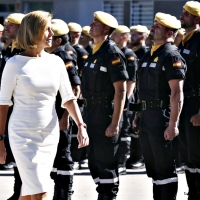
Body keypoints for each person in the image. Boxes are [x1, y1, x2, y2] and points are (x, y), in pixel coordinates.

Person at [0, 10, 89, 200]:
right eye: (47, 29)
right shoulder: (14, 63)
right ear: (34, 31)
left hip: (49, 135)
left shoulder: (57, 61)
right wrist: (0, 140)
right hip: (22, 136)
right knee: (40, 189)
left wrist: (81, 125)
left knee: (29, 191)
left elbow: (68, 98)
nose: (52, 34)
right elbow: (3, 104)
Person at [133, 12, 186, 199]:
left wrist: (173, 124)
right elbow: (142, 90)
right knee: (154, 169)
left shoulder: (171, 55)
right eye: (154, 24)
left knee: (165, 168)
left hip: (162, 118)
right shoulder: (149, 55)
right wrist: (138, 115)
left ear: (170, 33)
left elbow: (177, 93)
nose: (153, 27)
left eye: (158, 26)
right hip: (147, 118)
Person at [81, 11, 128, 200]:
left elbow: (121, 91)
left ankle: (108, 196)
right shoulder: (95, 51)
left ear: (106, 29)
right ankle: (103, 193)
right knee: (93, 161)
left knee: (106, 161)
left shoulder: (112, 52)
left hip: (106, 114)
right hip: (92, 113)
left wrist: (115, 123)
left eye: (95, 23)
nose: (91, 26)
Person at [45, 18, 81, 200]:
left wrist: (66, 116)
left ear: (59, 40)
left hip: (61, 112)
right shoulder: (53, 54)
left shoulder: (64, 55)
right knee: (56, 155)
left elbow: (75, 88)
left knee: (63, 155)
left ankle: (65, 194)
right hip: (53, 111)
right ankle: (58, 193)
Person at [0, 13, 25, 200]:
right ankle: (18, 192)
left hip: (20, 110)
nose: (6, 27)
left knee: (21, 152)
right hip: (8, 108)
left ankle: (23, 193)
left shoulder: (24, 52)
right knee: (14, 152)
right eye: (6, 24)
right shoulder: (10, 50)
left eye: (11, 25)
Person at [178, 1, 200, 199]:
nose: (182, 16)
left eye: (186, 14)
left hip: (196, 105)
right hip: (185, 105)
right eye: (183, 12)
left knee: (198, 154)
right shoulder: (184, 40)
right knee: (187, 155)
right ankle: (193, 192)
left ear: (197, 19)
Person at [110, 25, 138, 175]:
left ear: (124, 37)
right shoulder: (116, 52)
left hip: (126, 97)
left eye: (115, 35)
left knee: (124, 132)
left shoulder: (129, 55)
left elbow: (131, 81)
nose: (112, 37)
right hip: (117, 97)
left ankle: (121, 162)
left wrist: (126, 100)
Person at [126, 24, 150, 169]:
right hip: (134, 94)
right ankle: (133, 156)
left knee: (138, 128)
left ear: (142, 37)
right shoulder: (131, 52)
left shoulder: (145, 53)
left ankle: (139, 158)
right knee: (133, 127)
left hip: (141, 93)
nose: (131, 37)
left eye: (134, 35)